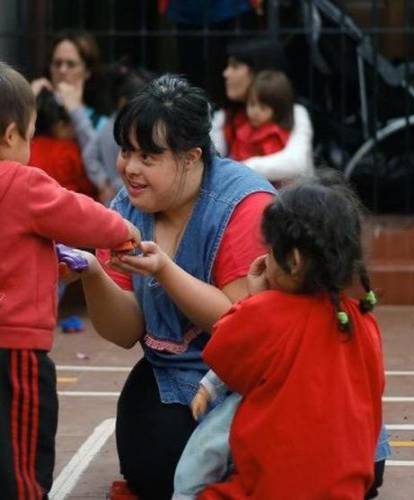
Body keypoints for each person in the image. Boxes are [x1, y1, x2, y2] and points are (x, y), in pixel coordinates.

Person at [75, 74, 276, 499]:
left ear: (191, 157)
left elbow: (241, 327)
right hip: (175, 374)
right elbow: (126, 331)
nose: (130, 168)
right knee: (150, 462)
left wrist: (164, 271)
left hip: (250, 376)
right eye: (126, 151)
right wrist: (92, 272)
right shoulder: (123, 208)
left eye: (148, 156)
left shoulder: (244, 205)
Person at [195, 173, 384, 498]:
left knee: (193, 487)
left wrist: (253, 301)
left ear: (293, 261)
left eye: (269, 250)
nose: (265, 259)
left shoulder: (266, 314)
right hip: (346, 489)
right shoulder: (360, 322)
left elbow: (224, 356)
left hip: (273, 488)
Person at [0, 61, 139, 499]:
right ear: (10, 135)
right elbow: (78, 214)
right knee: (22, 456)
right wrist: (124, 230)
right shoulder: (22, 182)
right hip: (15, 347)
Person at [210, 38, 314, 183]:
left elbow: (296, 163)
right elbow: (212, 164)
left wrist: (240, 168)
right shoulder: (225, 117)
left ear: (257, 71)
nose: (226, 73)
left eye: (235, 66)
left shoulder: (295, 112)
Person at [82, 63, 155, 205]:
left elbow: (89, 154)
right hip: (126, 196)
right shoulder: (117, 128)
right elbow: (89, 154)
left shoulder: (108, 126)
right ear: (122, 102)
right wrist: (104, 182)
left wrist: (102, 181)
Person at [30, 30, 109, 151]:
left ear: (87, 71)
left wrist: (76, 111)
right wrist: (27, 102)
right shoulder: (36, 108)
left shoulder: (101, 123)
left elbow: (98, 161)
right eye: (57, 63)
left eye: (71, 64)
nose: (62, 70)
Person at [30, 89, 96, 197]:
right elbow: (88, 186)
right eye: (72, 124)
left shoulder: (30, 146)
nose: (75, 130)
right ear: (60, 126)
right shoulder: (68, 150)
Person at [229, 70, 293, 164]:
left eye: (263, 108)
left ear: (277, 109)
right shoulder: (242, 126)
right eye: (252, 104)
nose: (255, 111)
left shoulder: (274, 136)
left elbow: (272, 167)